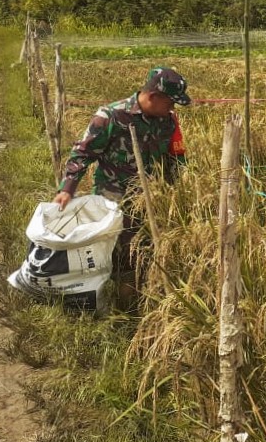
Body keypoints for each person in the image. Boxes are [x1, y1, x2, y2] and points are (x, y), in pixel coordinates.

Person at [53, 66, 191, 308]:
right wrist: (67, 188)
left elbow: (174, 159)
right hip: (113, 201)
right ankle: (109, 306)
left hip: (150, 202)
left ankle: (134, 304)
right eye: (170, 102)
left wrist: (177, 194)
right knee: (113, 256)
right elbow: (82, 153)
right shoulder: (112, 116)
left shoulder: (167, 122)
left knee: (142, 255)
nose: (172, 108)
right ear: (153, 96)